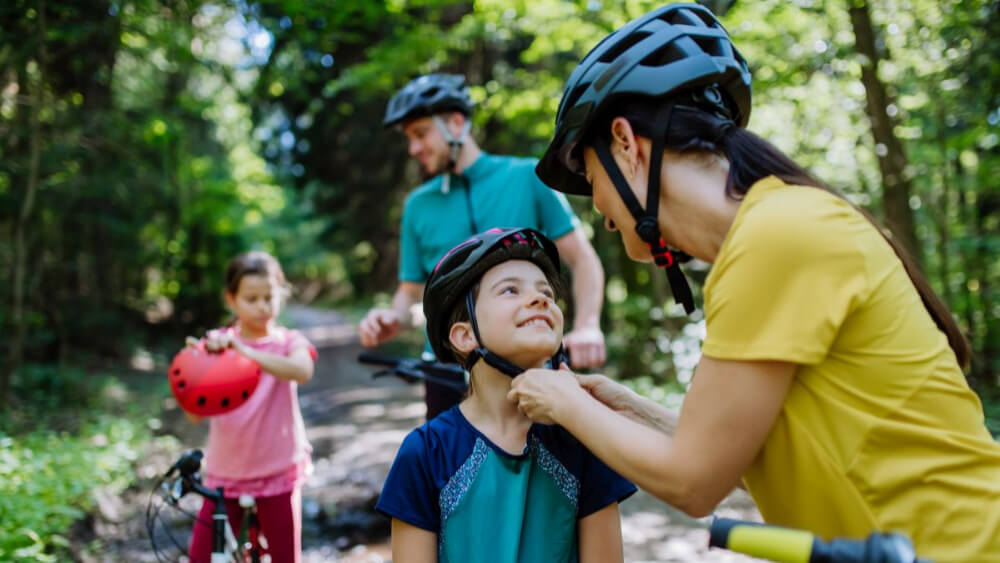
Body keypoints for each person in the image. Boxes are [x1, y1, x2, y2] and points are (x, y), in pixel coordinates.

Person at [507, 3, 1000, 561]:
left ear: (626, 142)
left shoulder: (776, 236)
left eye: (592, 178)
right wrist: (628, 408)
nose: (599, 210)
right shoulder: (770, 232)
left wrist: (564, 403)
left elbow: (695, 482)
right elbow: (742, 457)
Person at [375, 228, 636, 563]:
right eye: (510, 290)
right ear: (465, 336)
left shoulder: (584, 438)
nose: (540, 299)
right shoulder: (426, 453)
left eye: (546, 292)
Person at [359, 73, 607, 420]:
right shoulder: (418, 205)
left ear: (456, 124)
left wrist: (588, 324)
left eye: (421, 133)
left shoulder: (528, 177)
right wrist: (393, 318)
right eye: (409, 138)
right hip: (447, 372)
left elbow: (582, 259)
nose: (413, 148)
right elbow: (411, 294)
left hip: (531, 366)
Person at [183, 251, 318, 563]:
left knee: (285, 558)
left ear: (280, 294)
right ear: (231, 300)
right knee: (202, 557)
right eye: (251, 299)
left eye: (269, 297)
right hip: (226, 474)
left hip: (278, 472)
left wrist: (244, 351)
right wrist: (193, 371)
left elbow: (302, 371)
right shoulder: (216, 344)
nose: (262, 306)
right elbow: (194, 415)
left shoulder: (289, 342)